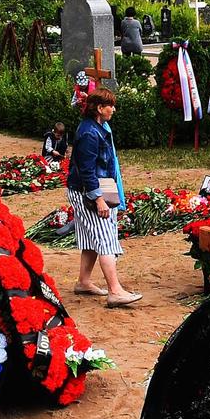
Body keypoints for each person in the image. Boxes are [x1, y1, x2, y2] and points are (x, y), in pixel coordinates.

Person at [67, 87, 142, 308]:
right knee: (106, 239)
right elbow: (86, 170)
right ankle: (115, 291)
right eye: (111, 105)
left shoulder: (95, 127)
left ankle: (84, 282)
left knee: (92, 239)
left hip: (87, 189)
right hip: (88, 192)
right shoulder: (90, 133)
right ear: (100, 108)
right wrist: (98, 199)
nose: (114, 109)